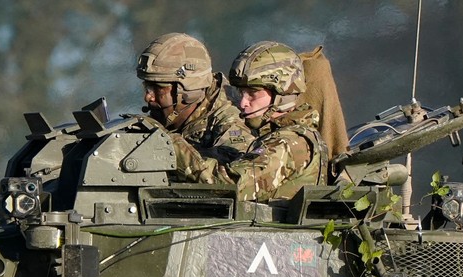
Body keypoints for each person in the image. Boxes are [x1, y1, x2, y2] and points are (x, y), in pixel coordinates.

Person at [168, 41, 328, 202]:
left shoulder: (288, 142)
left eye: (252, 93)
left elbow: (229, 186)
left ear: (281, 93)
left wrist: (172, 146)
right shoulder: (277, 136)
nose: (243, 102)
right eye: (241, 93)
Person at [136, 33, 254, 164]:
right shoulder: (166, 114)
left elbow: (230, 176)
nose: (148, 97)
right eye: (147, 87)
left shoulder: (232, 121)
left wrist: (166, 143)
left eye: (159, 89)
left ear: (188, 88)